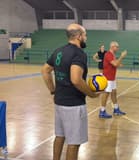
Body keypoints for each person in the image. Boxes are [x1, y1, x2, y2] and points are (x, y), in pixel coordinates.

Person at [41, 24, 100, 160]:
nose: (86, 38)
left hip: (59, 102)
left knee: (60, 136)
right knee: (74, 143)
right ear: (79, 36)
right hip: (73, 105)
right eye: (85, 35)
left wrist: (53, 90)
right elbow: (76, 80)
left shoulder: (59, 51)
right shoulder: (79, 54)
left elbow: (45, 70)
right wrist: (91, 94)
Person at [99, 41, 127, 119]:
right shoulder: (108, 54)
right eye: (117, 47)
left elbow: (115, 64)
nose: (118, 48)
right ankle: (102, 111)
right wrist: (121, 57)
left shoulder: (112, 55)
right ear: (112, 47)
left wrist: (119, 63)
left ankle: (116, 109)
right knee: (106, 94)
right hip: (108, 78)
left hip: (112, 78)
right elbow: (115, 64)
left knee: (114, 93)